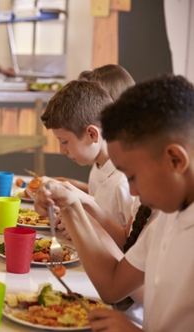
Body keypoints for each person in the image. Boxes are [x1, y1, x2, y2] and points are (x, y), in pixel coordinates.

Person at [35, 74, 194, 331]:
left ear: (175, 160)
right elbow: (112, 284)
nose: (131, 189)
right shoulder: (165, 218)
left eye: (133, 176)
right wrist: (71, 206)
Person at [40, 80, 136, 248]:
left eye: (64, 141)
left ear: (92, 134)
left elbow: (128, 246)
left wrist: (81, 225)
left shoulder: (124, 182)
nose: (62, 150)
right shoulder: (99, 163)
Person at [55, 64, 136, 193]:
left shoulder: (124, 177)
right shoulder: (101, 159)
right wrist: (71, 186)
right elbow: (101, 195)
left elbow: (114, 201)